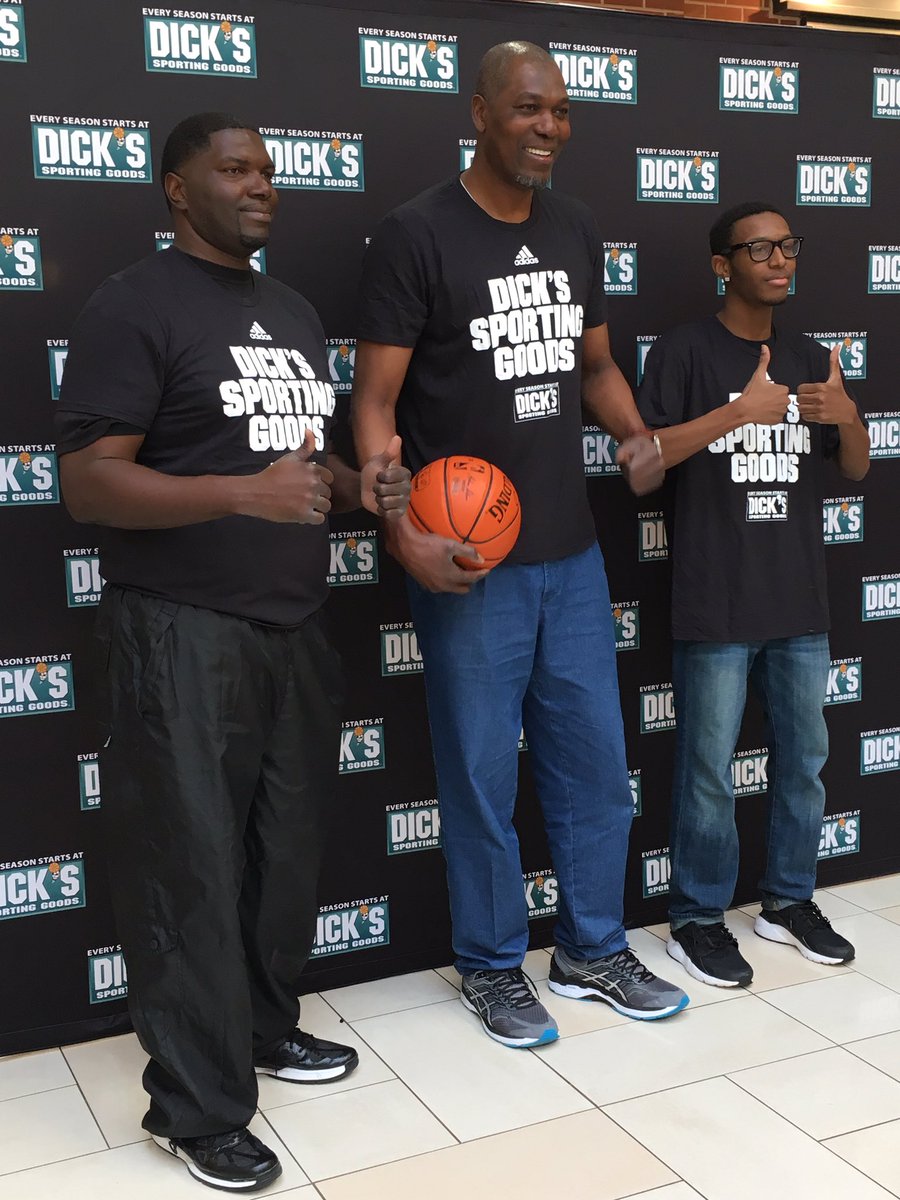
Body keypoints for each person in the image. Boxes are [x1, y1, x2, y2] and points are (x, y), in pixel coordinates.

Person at [55, 112, 410, 1194]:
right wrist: (241, 493)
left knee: (282, 858)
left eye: (270, 170)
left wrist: (363, 488)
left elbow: (311, 463)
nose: (263, 185)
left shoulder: (293, 310)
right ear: (176, 188)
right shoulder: (133, 305)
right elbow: (87, 481)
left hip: (292, 628)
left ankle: (261, 1028)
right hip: (179, 629)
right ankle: (194, 1107)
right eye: (236, 169)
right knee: (192, 873)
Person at [351, 42, 689, 1050]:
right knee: (481, 775)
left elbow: (592, 366)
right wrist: (403, 534)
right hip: (470, 564)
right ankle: (494, 964)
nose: (549, 128)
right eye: (529, 109)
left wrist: (631, 432)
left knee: (594, 764)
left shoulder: (577, 229)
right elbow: (373, 404)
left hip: (572, 555)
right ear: (482, 113)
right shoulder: (417, 235)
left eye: (562, 111)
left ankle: (590, 947)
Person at [637, 200, 869, 988]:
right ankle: (697, 919)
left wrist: (846, 414)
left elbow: (856, 466)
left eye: (788, 246)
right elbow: (645, 460)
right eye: (759, 247)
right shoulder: (683, 352)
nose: (779, 259)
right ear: (721, 264)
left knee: (804, 762)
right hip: (718, 600)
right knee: (708, 768)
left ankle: (787, 902)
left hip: (799, 599)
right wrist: (740, 412)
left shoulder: (811, 355)